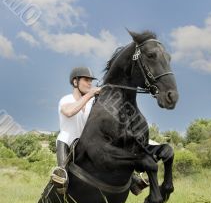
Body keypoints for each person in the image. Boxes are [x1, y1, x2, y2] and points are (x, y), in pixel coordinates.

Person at [51, 66, 148, 195]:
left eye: (91, 81)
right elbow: (69, 112)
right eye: (86, 80)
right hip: (68, 141)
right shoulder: (66, 99)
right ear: (75, 82)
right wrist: (91, 94)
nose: (89, 83)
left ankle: (132, 180)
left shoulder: (92, 103)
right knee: (64, 136)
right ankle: (61, 173)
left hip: (87, 142)